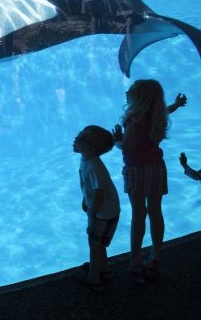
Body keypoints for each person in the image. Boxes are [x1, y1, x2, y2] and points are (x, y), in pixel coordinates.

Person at [112, 80, 186, 284]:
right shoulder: (156, 115)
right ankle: (155, 257)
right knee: (155, 212)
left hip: (136, 171)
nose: (127, 92)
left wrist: (117, 139)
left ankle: (135, 263)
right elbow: (166, 110)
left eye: (131, 91)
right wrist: (177, 104)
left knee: (138, 215)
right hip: (156, 168)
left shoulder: (134, 120)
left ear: (139, 98)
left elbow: (126, 146)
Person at [73, 125, 120, 292]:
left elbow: (99, 193)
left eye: (80, 138)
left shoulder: (94, 166)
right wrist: (86, 201)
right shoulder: (86, 159)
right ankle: (104, 268)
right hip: (103, 210)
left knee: (94, 243)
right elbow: (90, 188)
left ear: (91, 149)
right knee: (99, 243)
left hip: (103, 213)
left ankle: (93, 279)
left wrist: (92, 212)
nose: (75, 139)